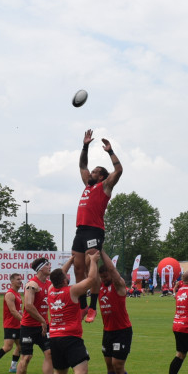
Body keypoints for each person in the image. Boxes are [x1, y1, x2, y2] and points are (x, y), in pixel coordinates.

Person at [71, 129, 123, 321]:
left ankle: (93, 307)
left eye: (95, 171)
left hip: (95, 230)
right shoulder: (87, 185)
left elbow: (118, 171)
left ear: (101, 177)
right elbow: (82, 164)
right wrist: (85, 145)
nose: (90, 172)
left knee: (90, 265)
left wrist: (110, 151)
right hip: (81, 230)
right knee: (78, 269)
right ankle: (82, 306)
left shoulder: (105, 186)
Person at [45, 249, 101, 374]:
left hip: (54, 337)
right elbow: (91, 280)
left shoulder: (50, 291)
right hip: (70, 337)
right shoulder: (71, 291)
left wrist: (71, 260)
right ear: (64, 279)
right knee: (81, 369)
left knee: (59, 372)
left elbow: (58, 274)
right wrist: (93, 261)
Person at [15, 257, 60, 374]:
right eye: (47, 265)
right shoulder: (32, 284)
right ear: (41, 268)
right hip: (29, 327)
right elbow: (28, 306)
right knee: (26, 357)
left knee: (50, 354)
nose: (49, 267)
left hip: (44, 327)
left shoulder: (49, 284)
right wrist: (42, 320)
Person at [95, 250, 133, 374]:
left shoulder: (119, 286)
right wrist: (92, 259)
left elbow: (113, 271)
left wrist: (102, 251)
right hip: (108, 331)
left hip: (122, 331)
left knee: (118, 365)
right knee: (109, 365)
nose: (104, 279)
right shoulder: (100, 287)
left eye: (106, 276)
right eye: (102, 277)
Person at [0, 273, 22, 374]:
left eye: (20, 279)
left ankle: (13, 367)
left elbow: (19, 311)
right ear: (12, 281)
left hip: (17, 324)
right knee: (7, 347)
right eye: (18, 279)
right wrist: (24, 320)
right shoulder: (10, 294)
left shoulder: (18, 294)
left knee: (20, 346)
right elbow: (13, 311)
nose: (20, 281)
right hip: (10, 325)